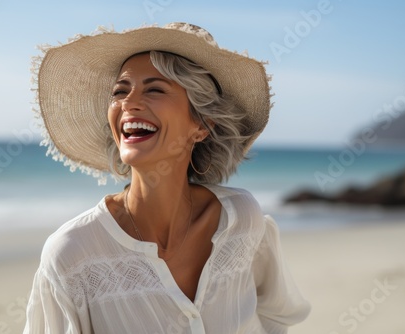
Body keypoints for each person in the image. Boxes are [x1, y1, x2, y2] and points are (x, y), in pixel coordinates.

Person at [24, 22, 310, 334]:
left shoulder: (241, 219)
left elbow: (276, 318)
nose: (129, 103)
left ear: (201, 125)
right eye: (120, 91)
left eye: (155, 89)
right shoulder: (72, 254)